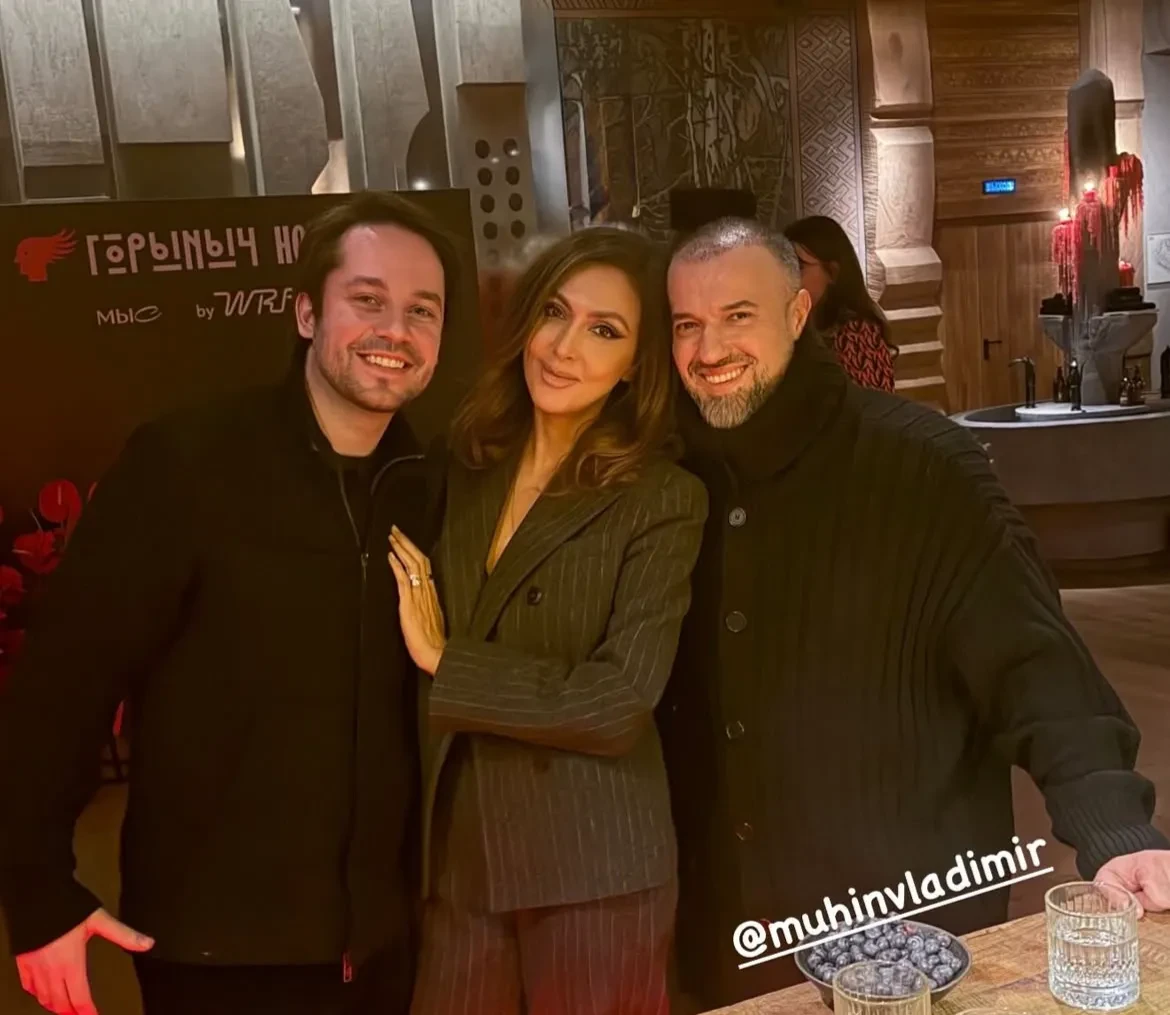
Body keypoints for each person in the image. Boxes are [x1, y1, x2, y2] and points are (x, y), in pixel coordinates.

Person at [658, 217, 1170, 1010]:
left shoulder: (922, 464)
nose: (709, 348)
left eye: (737, 315)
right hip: (723, 934)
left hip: (909, 931)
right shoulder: (666, 479)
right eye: (686, 324)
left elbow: (1036, 667)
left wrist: (1114, 827)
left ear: (797, 313)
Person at [0, 191, 460, 1015]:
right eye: (367, 299)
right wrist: (37, 892)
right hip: (216, 952)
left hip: (386, 948)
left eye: (421, 310)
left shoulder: (429, 489)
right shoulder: (188, 464)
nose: (396, 329)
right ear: (306, 312)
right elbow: (63, 682)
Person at [386, 227, 708, 1014]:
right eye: (554, 313)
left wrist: (446, 658)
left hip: (594, 863)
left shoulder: (662, 497)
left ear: (636, 362)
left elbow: (618, 700)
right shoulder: (465, 461)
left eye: (604, 330)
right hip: (463, 854)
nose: (564, 348)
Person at [784, 215, 897, 392]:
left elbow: (871, 406)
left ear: (832, 272)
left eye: (799, 267)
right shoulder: (792, 329)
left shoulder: (857, 334)